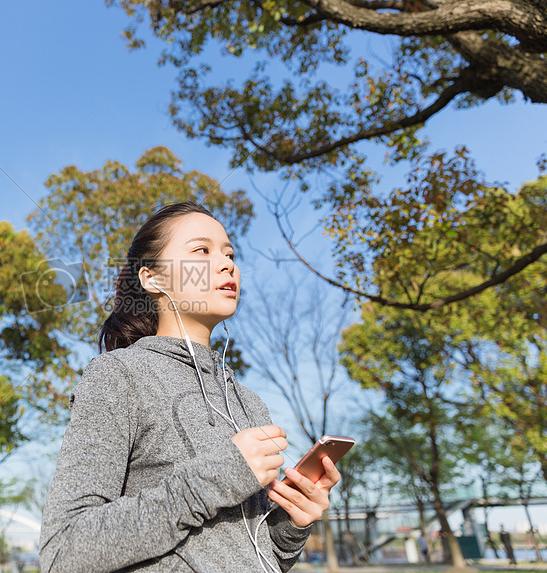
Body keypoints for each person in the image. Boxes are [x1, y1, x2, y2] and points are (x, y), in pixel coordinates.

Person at [39, 202, 342, 572]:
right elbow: (64, 550)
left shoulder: (248, 403)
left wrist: (293, 523)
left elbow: (260, 557)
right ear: (153, 279)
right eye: (202, 250)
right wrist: (217, 477)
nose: (227, 263)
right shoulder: (118, 376)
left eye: (230, 253)